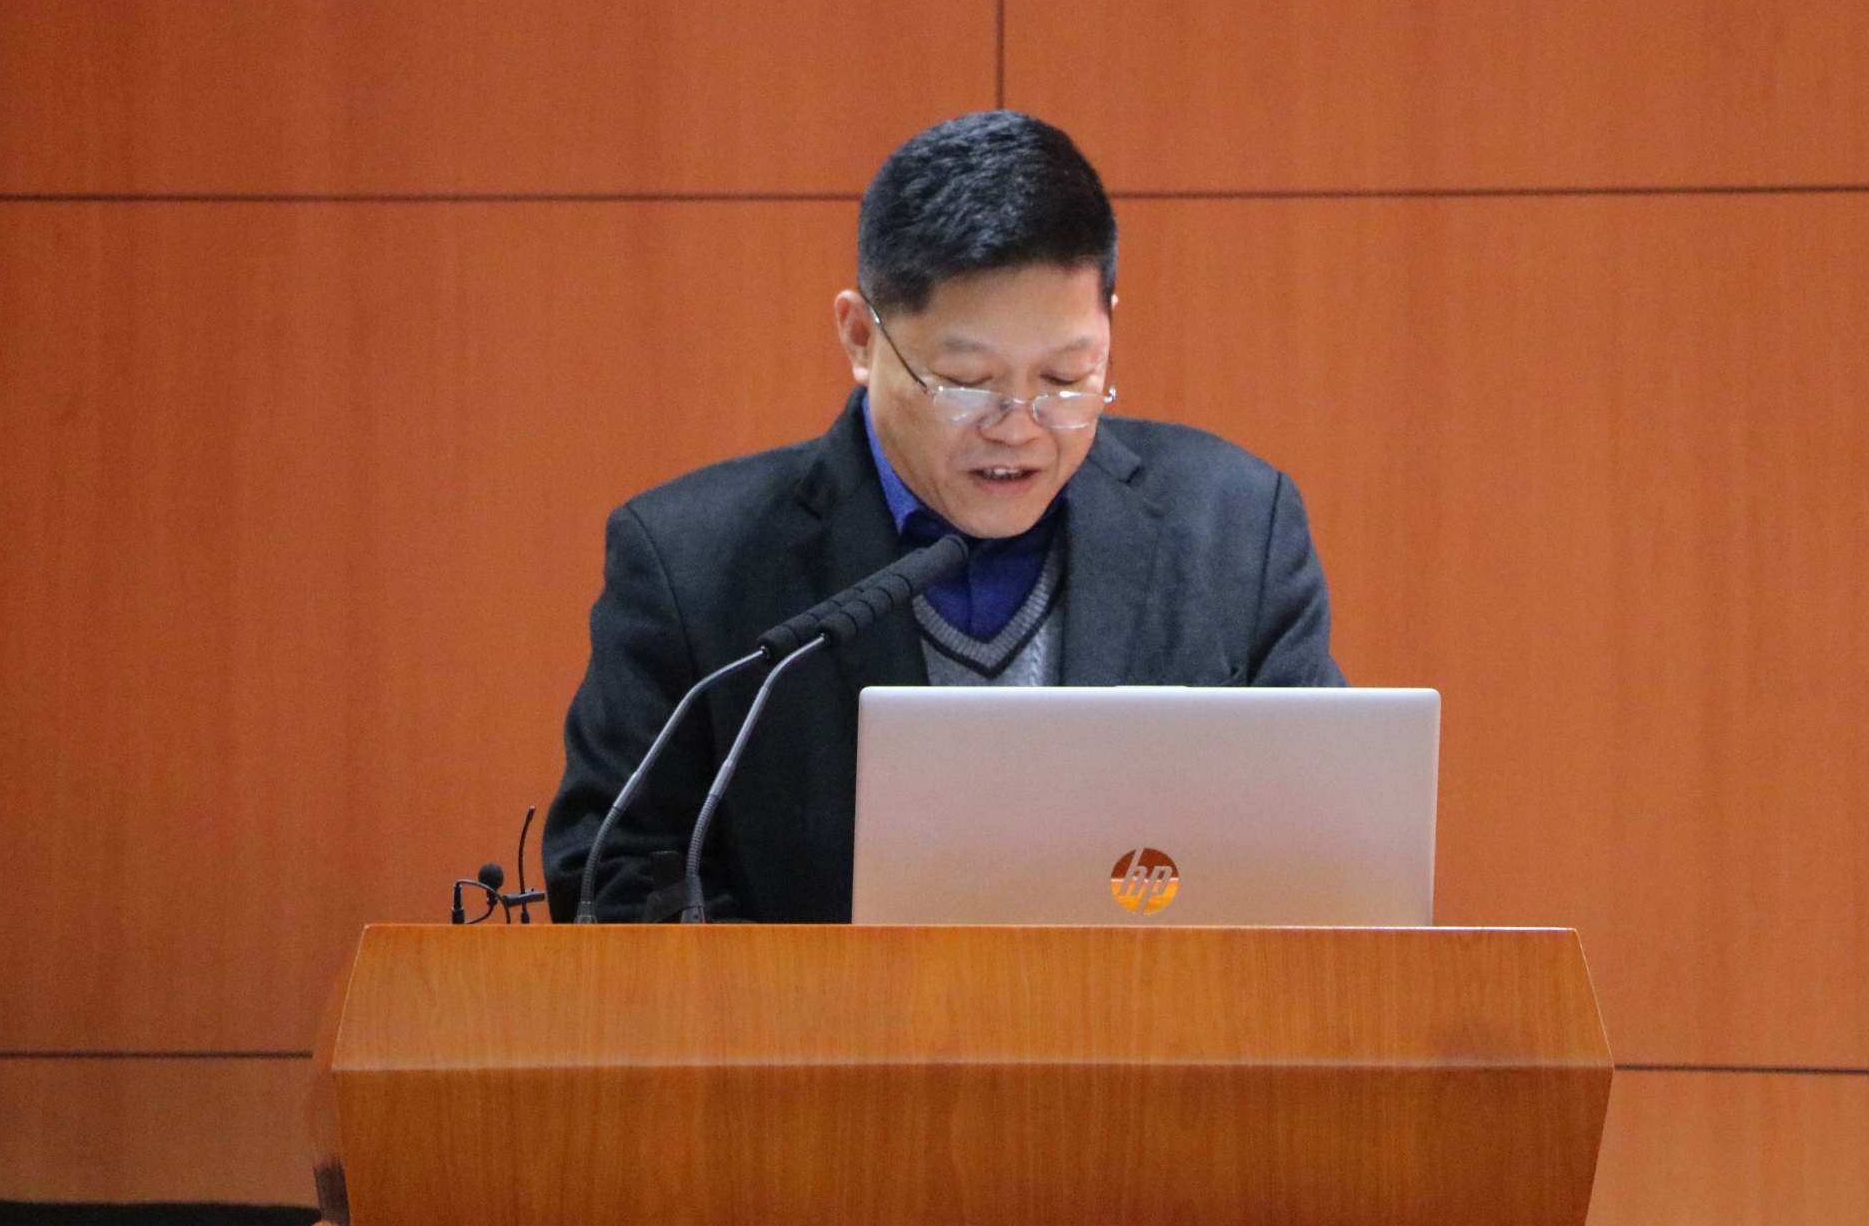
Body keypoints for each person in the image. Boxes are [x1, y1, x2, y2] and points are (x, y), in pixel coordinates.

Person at [542, 110, 1343, 922]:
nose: (1018, 427)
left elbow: (1323, 852)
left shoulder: (1236, 529)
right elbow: (616, 876)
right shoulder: (689, 564)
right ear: (861, 337)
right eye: (967, 383)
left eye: (1066, 378)